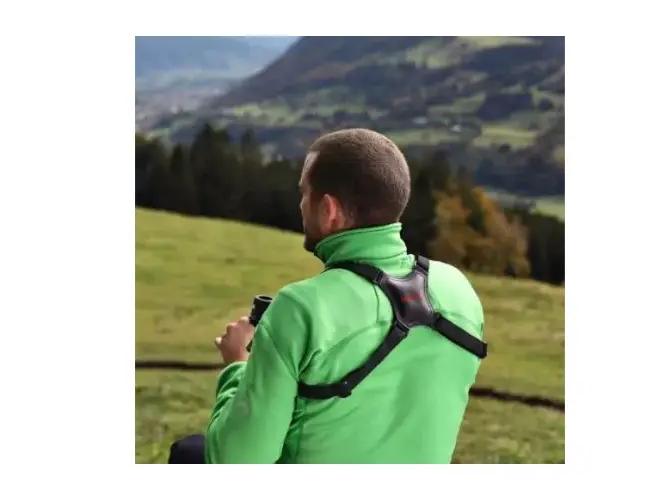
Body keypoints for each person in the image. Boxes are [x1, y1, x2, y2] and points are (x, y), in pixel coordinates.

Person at [168, 128, 486, 464]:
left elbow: (237, 460)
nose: (300, 204)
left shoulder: (301, 308)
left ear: (328, 210)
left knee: (189, 453)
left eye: (304, 193)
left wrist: (237, 366)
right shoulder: (458, 290)